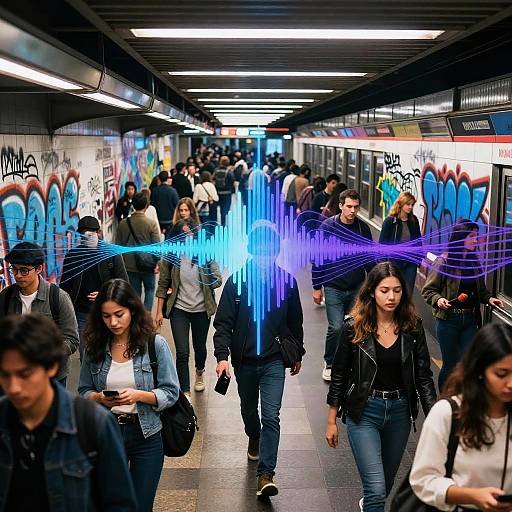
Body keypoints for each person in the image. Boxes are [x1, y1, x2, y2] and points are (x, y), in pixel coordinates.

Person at [325, 262, 437, 512]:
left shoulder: (413, 327)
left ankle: (371, 504)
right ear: (372, 291)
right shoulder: (353, 327)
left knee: (384, 487)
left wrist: (436, 418)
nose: (391, 297)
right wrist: (332, 420)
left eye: (397, 290)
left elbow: (424, 377)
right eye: (385, 290)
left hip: (399, 413)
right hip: (364, 411)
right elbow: (339, 375)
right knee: (376, 489)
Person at [0, 313, 137, 511]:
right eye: (5, 375)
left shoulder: (92, 423)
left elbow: (119, 503)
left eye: (25, 374)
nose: (13, 387)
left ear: (51, 367)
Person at [213, 223, 304, 498]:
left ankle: (265, 474)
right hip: (245, 362)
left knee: (271, 416)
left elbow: (295, 322)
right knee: (249, 411)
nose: (265, 256)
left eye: (270, 251)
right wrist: (222, 357)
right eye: (260, 251)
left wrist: (297, 352)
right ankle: (253, 435)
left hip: (274, 360)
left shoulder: (287, 282)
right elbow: (223, 324)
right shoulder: (236, 282)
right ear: (252, 251)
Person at [78, 279, 180, 512]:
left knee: (141, 506)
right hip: (107, 434)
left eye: (119, 314)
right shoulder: (94, 346)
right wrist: (99, 398)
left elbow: (171, 392)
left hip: (147, 435)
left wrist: (138, 395)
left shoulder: (154, 344)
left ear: (132, 310)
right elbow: (83, 390)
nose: (113, 322)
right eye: (106, 316)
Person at [410, 322, 512, 511]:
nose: (510, 383)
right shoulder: (448, 413)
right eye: (501, 374)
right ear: (480, 371)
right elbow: (422, 480)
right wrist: (472, 496)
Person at [422, 220, 504, 390]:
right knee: (450, 365)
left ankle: (463, 400)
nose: (476, 240)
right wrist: (439, 300)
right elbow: (428, 290)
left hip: (470, 320)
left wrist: (489, 299)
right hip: (448, 320)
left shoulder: (474, 262)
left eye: (476, 236)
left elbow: (480, 291)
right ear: (460, 238)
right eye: (472, 236)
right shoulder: (443, 261)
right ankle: (444, 400)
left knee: (469, 363)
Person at [312, 189, 374, 381]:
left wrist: (377, 281)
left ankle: (351, 362)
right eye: (349, 206)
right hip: (333, 286)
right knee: (336, 327)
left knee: (356, 326)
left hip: (357, 287)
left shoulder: (363, 229)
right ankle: (329, 362)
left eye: (356, 207)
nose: (353, 211)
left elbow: (369, 259)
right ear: (340, 206)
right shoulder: (328, 227)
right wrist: (316, 286)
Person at [155, 219, 222, 396]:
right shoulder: (171, 256)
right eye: (184, 234)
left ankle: (199, 373)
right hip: (179, 310)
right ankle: (184, 392)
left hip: (201, 309)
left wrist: (209, 277)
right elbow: (162, 284)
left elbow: (218, 278)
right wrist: (158, 312)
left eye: (191, 233)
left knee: (199, 348)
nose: (188, 237)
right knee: (182, 352)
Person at [0, 242, 79, 387]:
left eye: (24, 270)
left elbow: (72, 339)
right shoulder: (5, 297)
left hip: (52, 377)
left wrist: (45, 355)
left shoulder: (58, 297)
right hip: (16, 375)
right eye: (14, 269)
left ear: (39, 269)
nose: (18, 275)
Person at [60, 215, 128, 359]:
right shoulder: (73, 256)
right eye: (84, 233)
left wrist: (104, 294)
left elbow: (123, 284)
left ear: (98, 232)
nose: (88, 237)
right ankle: (89, 381)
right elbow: (64, 287)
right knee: (86, 355)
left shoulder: (111, 253)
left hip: (108, 312)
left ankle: (104, 381)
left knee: (108, 353)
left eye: (92, 232)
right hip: (81, 314)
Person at [116, 192, 161, 311]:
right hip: (147, 264)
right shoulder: (151, 224)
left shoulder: (123, 223)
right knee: (150, 290)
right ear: (146, 205)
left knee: (135, 293)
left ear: (133, 205)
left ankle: (137, 318)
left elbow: (118, 246)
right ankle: (146, 318)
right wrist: (157, 262)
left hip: (129, 265)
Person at [379, 192, 422, 295]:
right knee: (394, 291)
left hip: (410, 261)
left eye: (412, 205)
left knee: (407, 291)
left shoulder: (413, 220)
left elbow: (418, 241)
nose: (410, 207)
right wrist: (383, 263)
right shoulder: (390, 221)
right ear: (401, 204)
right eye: (408, 204)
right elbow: (382, 243)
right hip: (394, 262)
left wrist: (419, 260)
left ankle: (405, 311)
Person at [214, 156, 235, 226]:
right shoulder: (228, 171)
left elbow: (213, 179)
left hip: (218, 193)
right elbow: (232, 180)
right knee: (225, 210)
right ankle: (224, 224)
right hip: (227, 193)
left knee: (220, 209)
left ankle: (220, 224)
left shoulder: (216, 170)